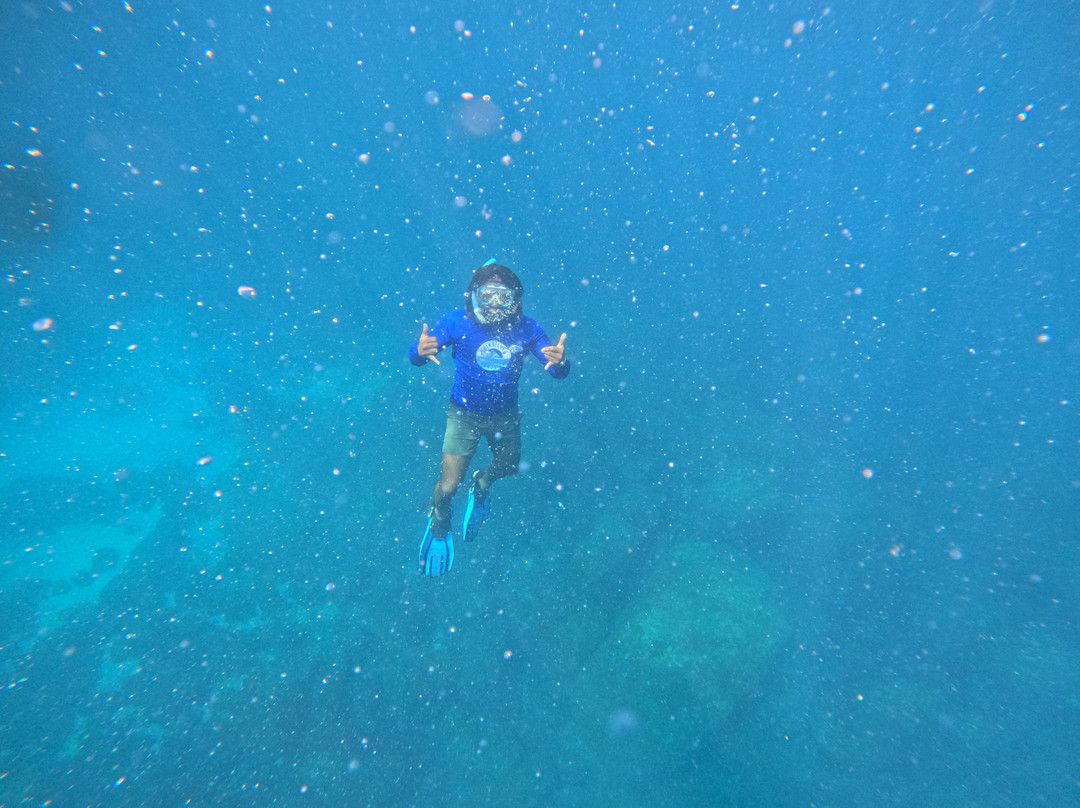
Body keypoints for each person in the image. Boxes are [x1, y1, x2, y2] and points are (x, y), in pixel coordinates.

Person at [408, 260, 571, 577]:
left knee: (509, 467)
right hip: (463, 415)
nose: (495, 304)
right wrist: (417, 351)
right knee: (449, 484)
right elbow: (422, 353)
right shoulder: (457, 322)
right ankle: (440, 523)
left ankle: (481, 486)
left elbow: (554, 369)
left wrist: (561, 364)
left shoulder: (528, 329)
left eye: (503, 297)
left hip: (505, 416)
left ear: (516, 300)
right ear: (472, 297)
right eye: (486, 296)